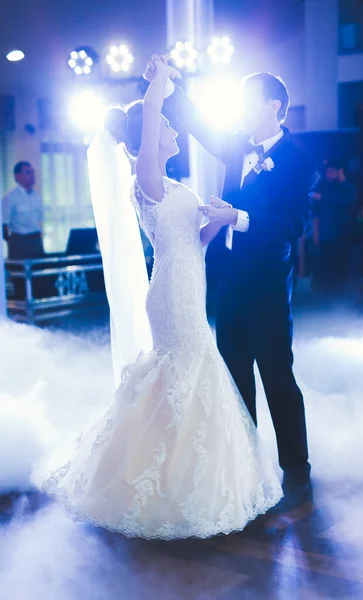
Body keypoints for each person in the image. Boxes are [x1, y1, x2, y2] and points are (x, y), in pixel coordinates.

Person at [43, 58, 282, 539]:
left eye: (169, 123)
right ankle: (162, 480)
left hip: (191, 281)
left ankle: (185, 474)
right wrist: (159, 85)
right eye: (162, 126)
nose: (170, 128)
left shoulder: (174, 185)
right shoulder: (146, 178)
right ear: (142, 142)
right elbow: (151, 119)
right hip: (171, 291)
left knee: (188, 377)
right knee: (187, 370)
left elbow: (196, 240)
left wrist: (217, 218)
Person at [144, 57, 316, 506]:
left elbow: (293, 225)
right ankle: (244, 465)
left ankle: (296, 467)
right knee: (235, 378)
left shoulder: (299, 159)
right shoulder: (238, 145)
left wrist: (236, 217)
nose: (239, 107)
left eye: (247, 100)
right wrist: (166, 86)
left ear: (273, 105)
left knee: (277, 375)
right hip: (229, 283)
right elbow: (199, 124)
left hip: (268, 286)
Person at [311, 158, 357, 293]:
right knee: (326, 267)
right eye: (327, 172)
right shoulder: (327, 188)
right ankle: (326, 296)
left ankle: (339, 296)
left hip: (342, 235)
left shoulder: (348, 188)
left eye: (331, 172)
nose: (328, 175)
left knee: (339, 267)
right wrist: (316, 232)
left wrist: (322, 198)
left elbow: (344, 203)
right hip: (326, 235)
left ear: (340, 171)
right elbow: (317, 213)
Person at [2, 162, 44, 259]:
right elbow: (4, 225)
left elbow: (40, 220)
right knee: (20, 272)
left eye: (33, 172)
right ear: (17, 176)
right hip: (20, 241)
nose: (32, 176)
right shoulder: (10, 197)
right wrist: (14, 242)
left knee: (39, 271)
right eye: (28, 172)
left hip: (36, 241)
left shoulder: (37, 196)